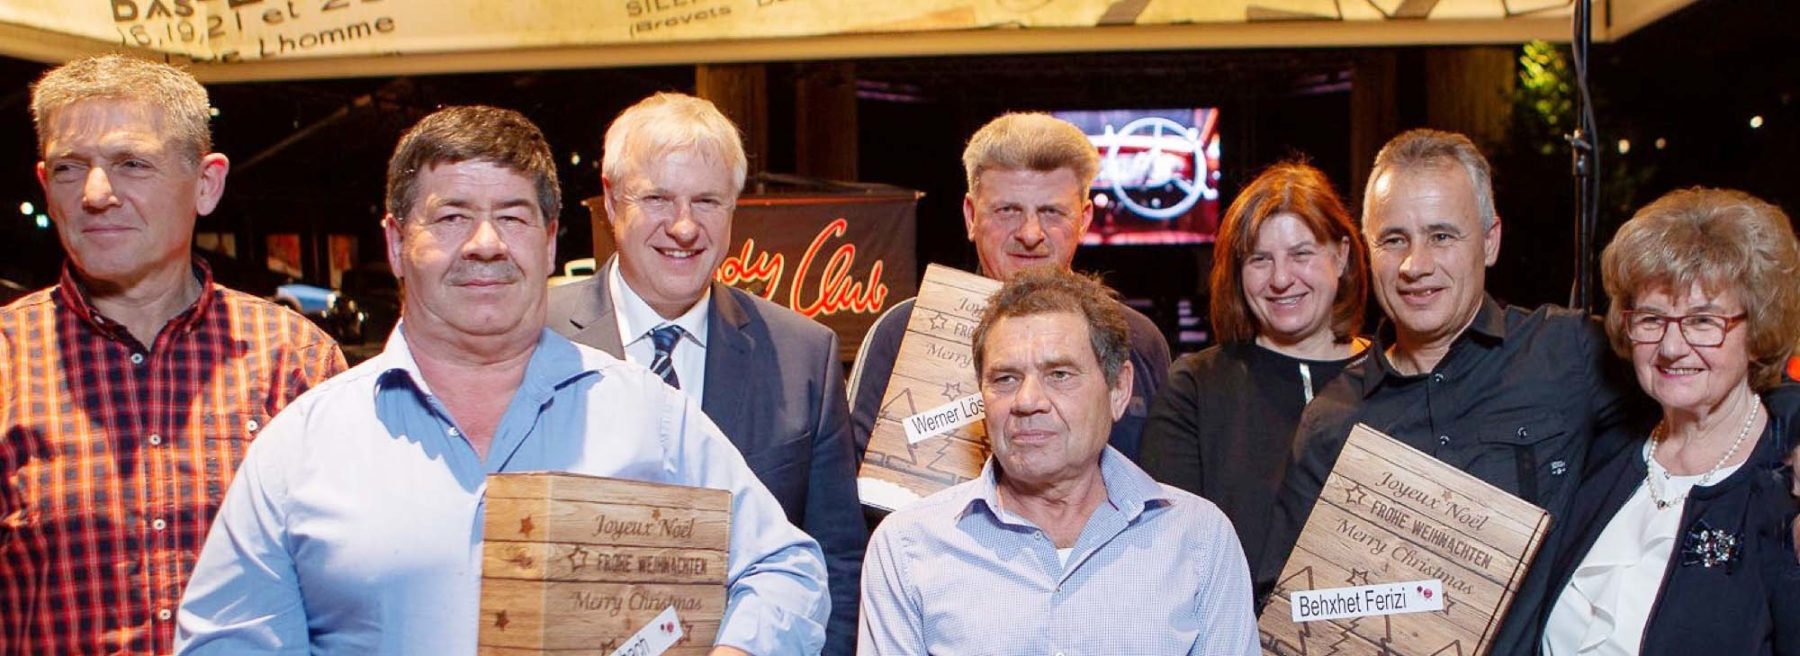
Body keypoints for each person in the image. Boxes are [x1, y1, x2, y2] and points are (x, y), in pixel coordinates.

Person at [174, 106, 827, 655]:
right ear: (397, 243)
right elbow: (227, 643)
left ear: (550, 242)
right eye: (452, 217)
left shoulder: (649, 418)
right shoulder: (301, 449)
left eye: (513, 217)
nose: (485, 243)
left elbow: (785, 570)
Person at [0, 55, 346, 655]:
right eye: (69, 168)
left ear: (206, 184)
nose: (95, 194)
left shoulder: (296, 362)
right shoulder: (7, 359)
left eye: (131, 164)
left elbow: (351, 587)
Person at [1259, 129, 1645, 609]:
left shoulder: (1568, 353)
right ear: (1367, 250)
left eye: (1441, 236)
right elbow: (1289, 606)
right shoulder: (1331, 420)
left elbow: (1697, 417)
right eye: (1394, 240)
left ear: (1490, 241)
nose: (1415, 265)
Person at [546, 92, 864, 655]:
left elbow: (836, 561)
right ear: (612, 201)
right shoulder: (538, 340)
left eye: (707, 201)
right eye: (658, 198)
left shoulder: (803, 356)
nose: (685, 226)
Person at [858, 267, 1257, 655]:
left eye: (1060, 374)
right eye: (1005, 379)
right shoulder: (908, 548)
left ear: (1119, 389)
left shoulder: (1199, 540)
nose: (1027, 401)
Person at [1516, 188, 1800, 655]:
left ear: (1758, 331)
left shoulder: (1785, 491)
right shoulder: (1603, 457)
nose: (1671, 347)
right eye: (1652, 319)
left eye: (1703, 321)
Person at [848, 112, 1171, 462]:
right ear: (971, 216)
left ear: (1084, 219)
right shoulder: (901, 331)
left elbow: (1160, 479)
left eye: (1052, 212)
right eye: (1007, 211)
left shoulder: (1138, 340)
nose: (1030, 234)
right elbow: (854, 478)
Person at [1137, 162, 1368, 577]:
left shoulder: (1393, 379)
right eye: (1260, 259)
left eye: (1301, 254)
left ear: (1341, 256)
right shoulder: (1196, 389)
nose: (1281, 279)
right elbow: (1167, 553)